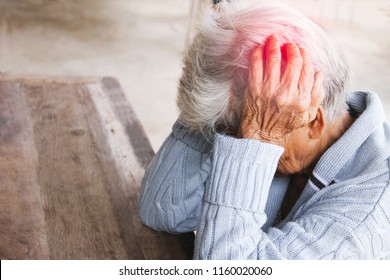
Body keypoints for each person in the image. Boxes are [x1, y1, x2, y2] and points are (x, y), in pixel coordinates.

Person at [139, 1, 390, 259]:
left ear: (315, 122)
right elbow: (161, 210)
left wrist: (257, 139)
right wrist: (209, 106)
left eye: (243, 129)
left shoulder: (364, 218)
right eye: (231, 132)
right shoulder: (277, 114)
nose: (238, 138)